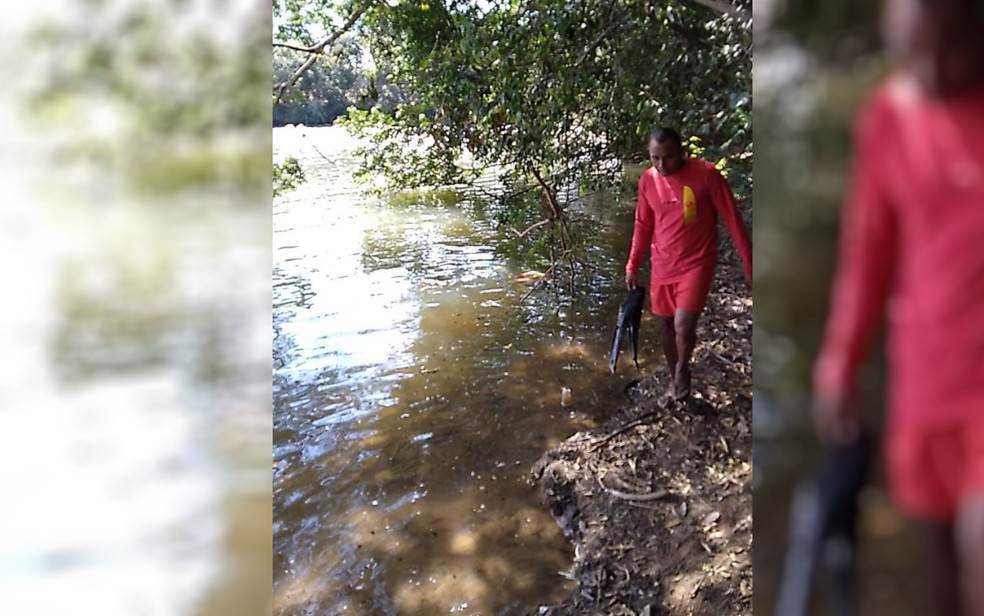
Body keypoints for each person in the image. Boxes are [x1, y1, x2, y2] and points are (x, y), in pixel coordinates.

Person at [812, 0, 984, 613]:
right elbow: (869, 255)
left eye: (952, 49)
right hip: (927, 372)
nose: (933, 70)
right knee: (940, 555)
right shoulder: (887, 118)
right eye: (915, 54)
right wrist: (841, 359)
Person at [624, 127, 752, 402]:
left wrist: (749, 261)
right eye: (655, 158)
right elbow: (643, 224)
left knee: (683, 324)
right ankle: (675, 380)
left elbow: (732, 219)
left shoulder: (706, 175)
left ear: (683, 152)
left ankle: (683, 370)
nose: (662, 165)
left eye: (668, 157)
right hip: (662, 264)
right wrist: (633, 263)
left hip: (697, 262)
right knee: (665, 326)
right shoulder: (648, 180)